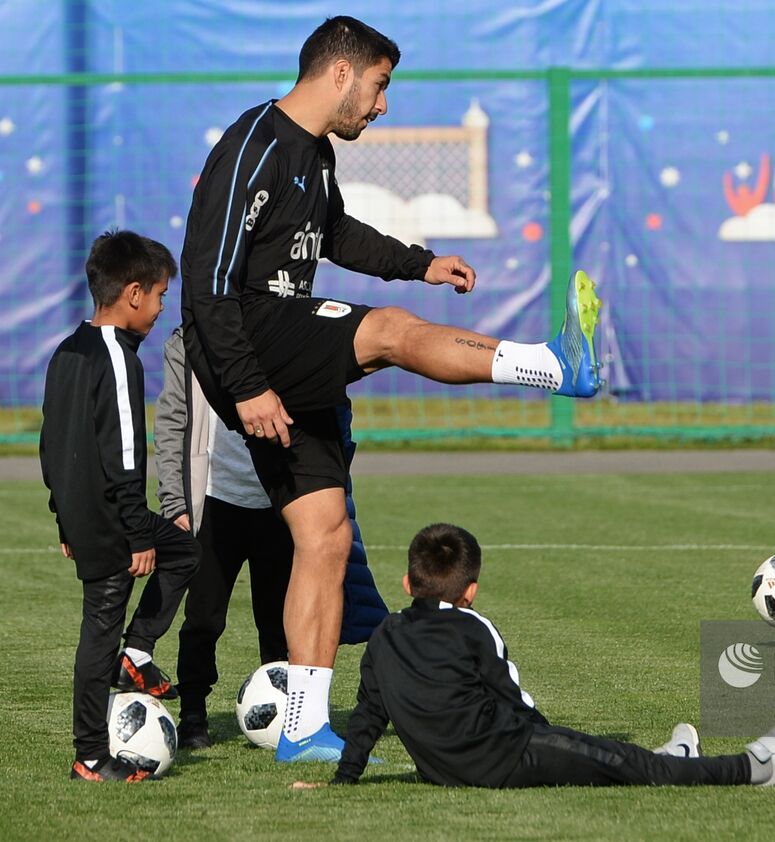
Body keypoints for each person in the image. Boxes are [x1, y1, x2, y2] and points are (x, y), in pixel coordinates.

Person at [180, 15, 602, 762]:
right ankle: (556, 365)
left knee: (325, 536)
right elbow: (208, 284)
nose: (382, 105)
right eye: (379, 87)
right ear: (340, 74)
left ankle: (303, 727)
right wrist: (246, 387)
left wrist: (421, 261)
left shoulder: (312, 154)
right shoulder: (252, 145)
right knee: (389, 334)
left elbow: (336, 234)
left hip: (272, 356)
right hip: (248, 340)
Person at [302, 523, 775, 789]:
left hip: (444, 769)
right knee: (615, 759)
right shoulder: (474, 627)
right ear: (471, 591)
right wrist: (551, 742)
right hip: (502, 759)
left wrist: (344, 778)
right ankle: (758, 768)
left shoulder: (386, 633)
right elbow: (515, 700)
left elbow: (369, 714)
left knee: (614, 761)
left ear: (408, 582)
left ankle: (671, 756)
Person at [154, 328, 389, 749]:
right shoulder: (192, 342)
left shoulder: (291, 331)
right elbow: (173, 422)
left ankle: (291, 715)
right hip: (214, 501)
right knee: (204, 618)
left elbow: (333, 412)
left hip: (281, 501)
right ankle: (193, 714)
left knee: (279, 621)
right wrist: (176, 502)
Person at [39, 230, 200, 782]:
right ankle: (89, 754)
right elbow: (127, 456)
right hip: (111, 520)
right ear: (133, 293)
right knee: (98, 634)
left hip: (84, 513)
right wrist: (138, 534)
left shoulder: (67, 349)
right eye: (158, 296)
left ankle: (137, 651)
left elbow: (51, 444)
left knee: (186, 551)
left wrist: (63, 517)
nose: (160, 309)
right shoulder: (117, 359)